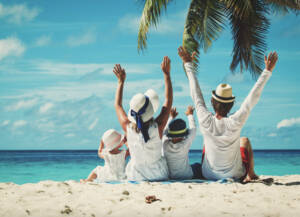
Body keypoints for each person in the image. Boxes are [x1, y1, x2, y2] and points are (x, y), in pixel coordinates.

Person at [178, 46, 278, 182]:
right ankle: (251, 174)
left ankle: (250, 174)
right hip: (235, 175)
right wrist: (267, 71)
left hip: (208, 174)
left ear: (212, 102)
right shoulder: (235, 121)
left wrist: (188, 64)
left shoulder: (205, 120)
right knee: (245, 140)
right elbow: (252, 98)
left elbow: (196, 94)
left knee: (206, 145)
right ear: (231, 104)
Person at [113, 56, 173, 181]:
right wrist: (166, 75)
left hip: (136, 176)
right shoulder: (159, 127)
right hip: (159, 175)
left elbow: (118, 105)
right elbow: (168, 101)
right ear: (150, 110)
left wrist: (120, 82)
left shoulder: (127, 127)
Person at [163, 106, 202, 180]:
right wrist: (190, 115)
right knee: (197, 166)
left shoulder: (165, 143)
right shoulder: (185, 144)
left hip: (170, 176)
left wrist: (171, 117)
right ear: (183, 135)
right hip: (186, 175)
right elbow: (193, 129)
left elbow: (164, 130)